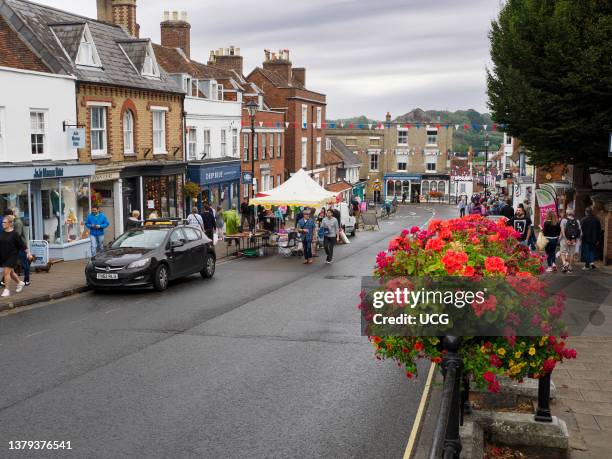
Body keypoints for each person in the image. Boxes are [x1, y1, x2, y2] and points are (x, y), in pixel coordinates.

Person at [0, 215, 33, 297]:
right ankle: (19, 283)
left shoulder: (15, 234)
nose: (2, 224)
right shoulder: (2, 233)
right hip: (4, 256)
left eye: (4, 222)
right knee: (11, 273)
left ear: (10, 223)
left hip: (13, 256)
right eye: (2, 222)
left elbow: (22, 245)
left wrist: (28, 253)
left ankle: (6, 290)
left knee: (6, 272)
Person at [12, 209, 31, 287]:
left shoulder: (18, 223)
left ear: (14, 214)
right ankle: (3, 280)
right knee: (10, 263)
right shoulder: (16, 222)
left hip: (20, 246)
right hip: (19, 246)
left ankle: (26, 280)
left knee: (24, 263)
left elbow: (17, 235)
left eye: (11, 213)